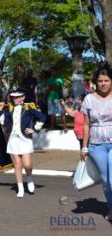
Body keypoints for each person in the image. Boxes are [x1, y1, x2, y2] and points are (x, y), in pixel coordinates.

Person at [0, 87, 45, 198]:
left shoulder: (28, 108)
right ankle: (20, 188)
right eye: (14, 97)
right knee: (17, 165)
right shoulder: (10, 109)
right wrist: (0, 111)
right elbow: (4, 122)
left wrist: (34, 129)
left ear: (23, 97)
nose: (15, 99)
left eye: (18, 97)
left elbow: (41, 117)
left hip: (25, 139)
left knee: (27, 164)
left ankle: (29, 179)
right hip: (13, 139)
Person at [80, 64, 112, 222]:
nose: (103, 83)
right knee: (106, 181)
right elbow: (86, 124)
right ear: (96, 82)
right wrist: (84, 147)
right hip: (96, 145)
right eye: (100, 81)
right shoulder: (89, 99)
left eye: (106, 80)